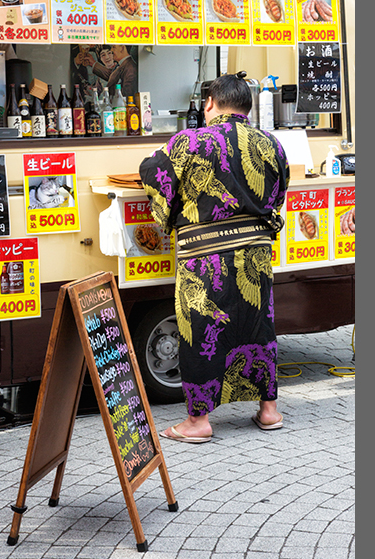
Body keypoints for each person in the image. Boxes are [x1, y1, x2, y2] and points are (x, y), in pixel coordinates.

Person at [138, 72, 290, 443]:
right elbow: (278, 194)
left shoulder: (190, 141)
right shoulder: (271, 144)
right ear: (247, 107)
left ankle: (198, 422)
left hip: (206, 260)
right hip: (255, 256)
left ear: (210, 103)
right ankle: (269, 411)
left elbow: (153, 173)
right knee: (258, 327)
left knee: (202, 331)